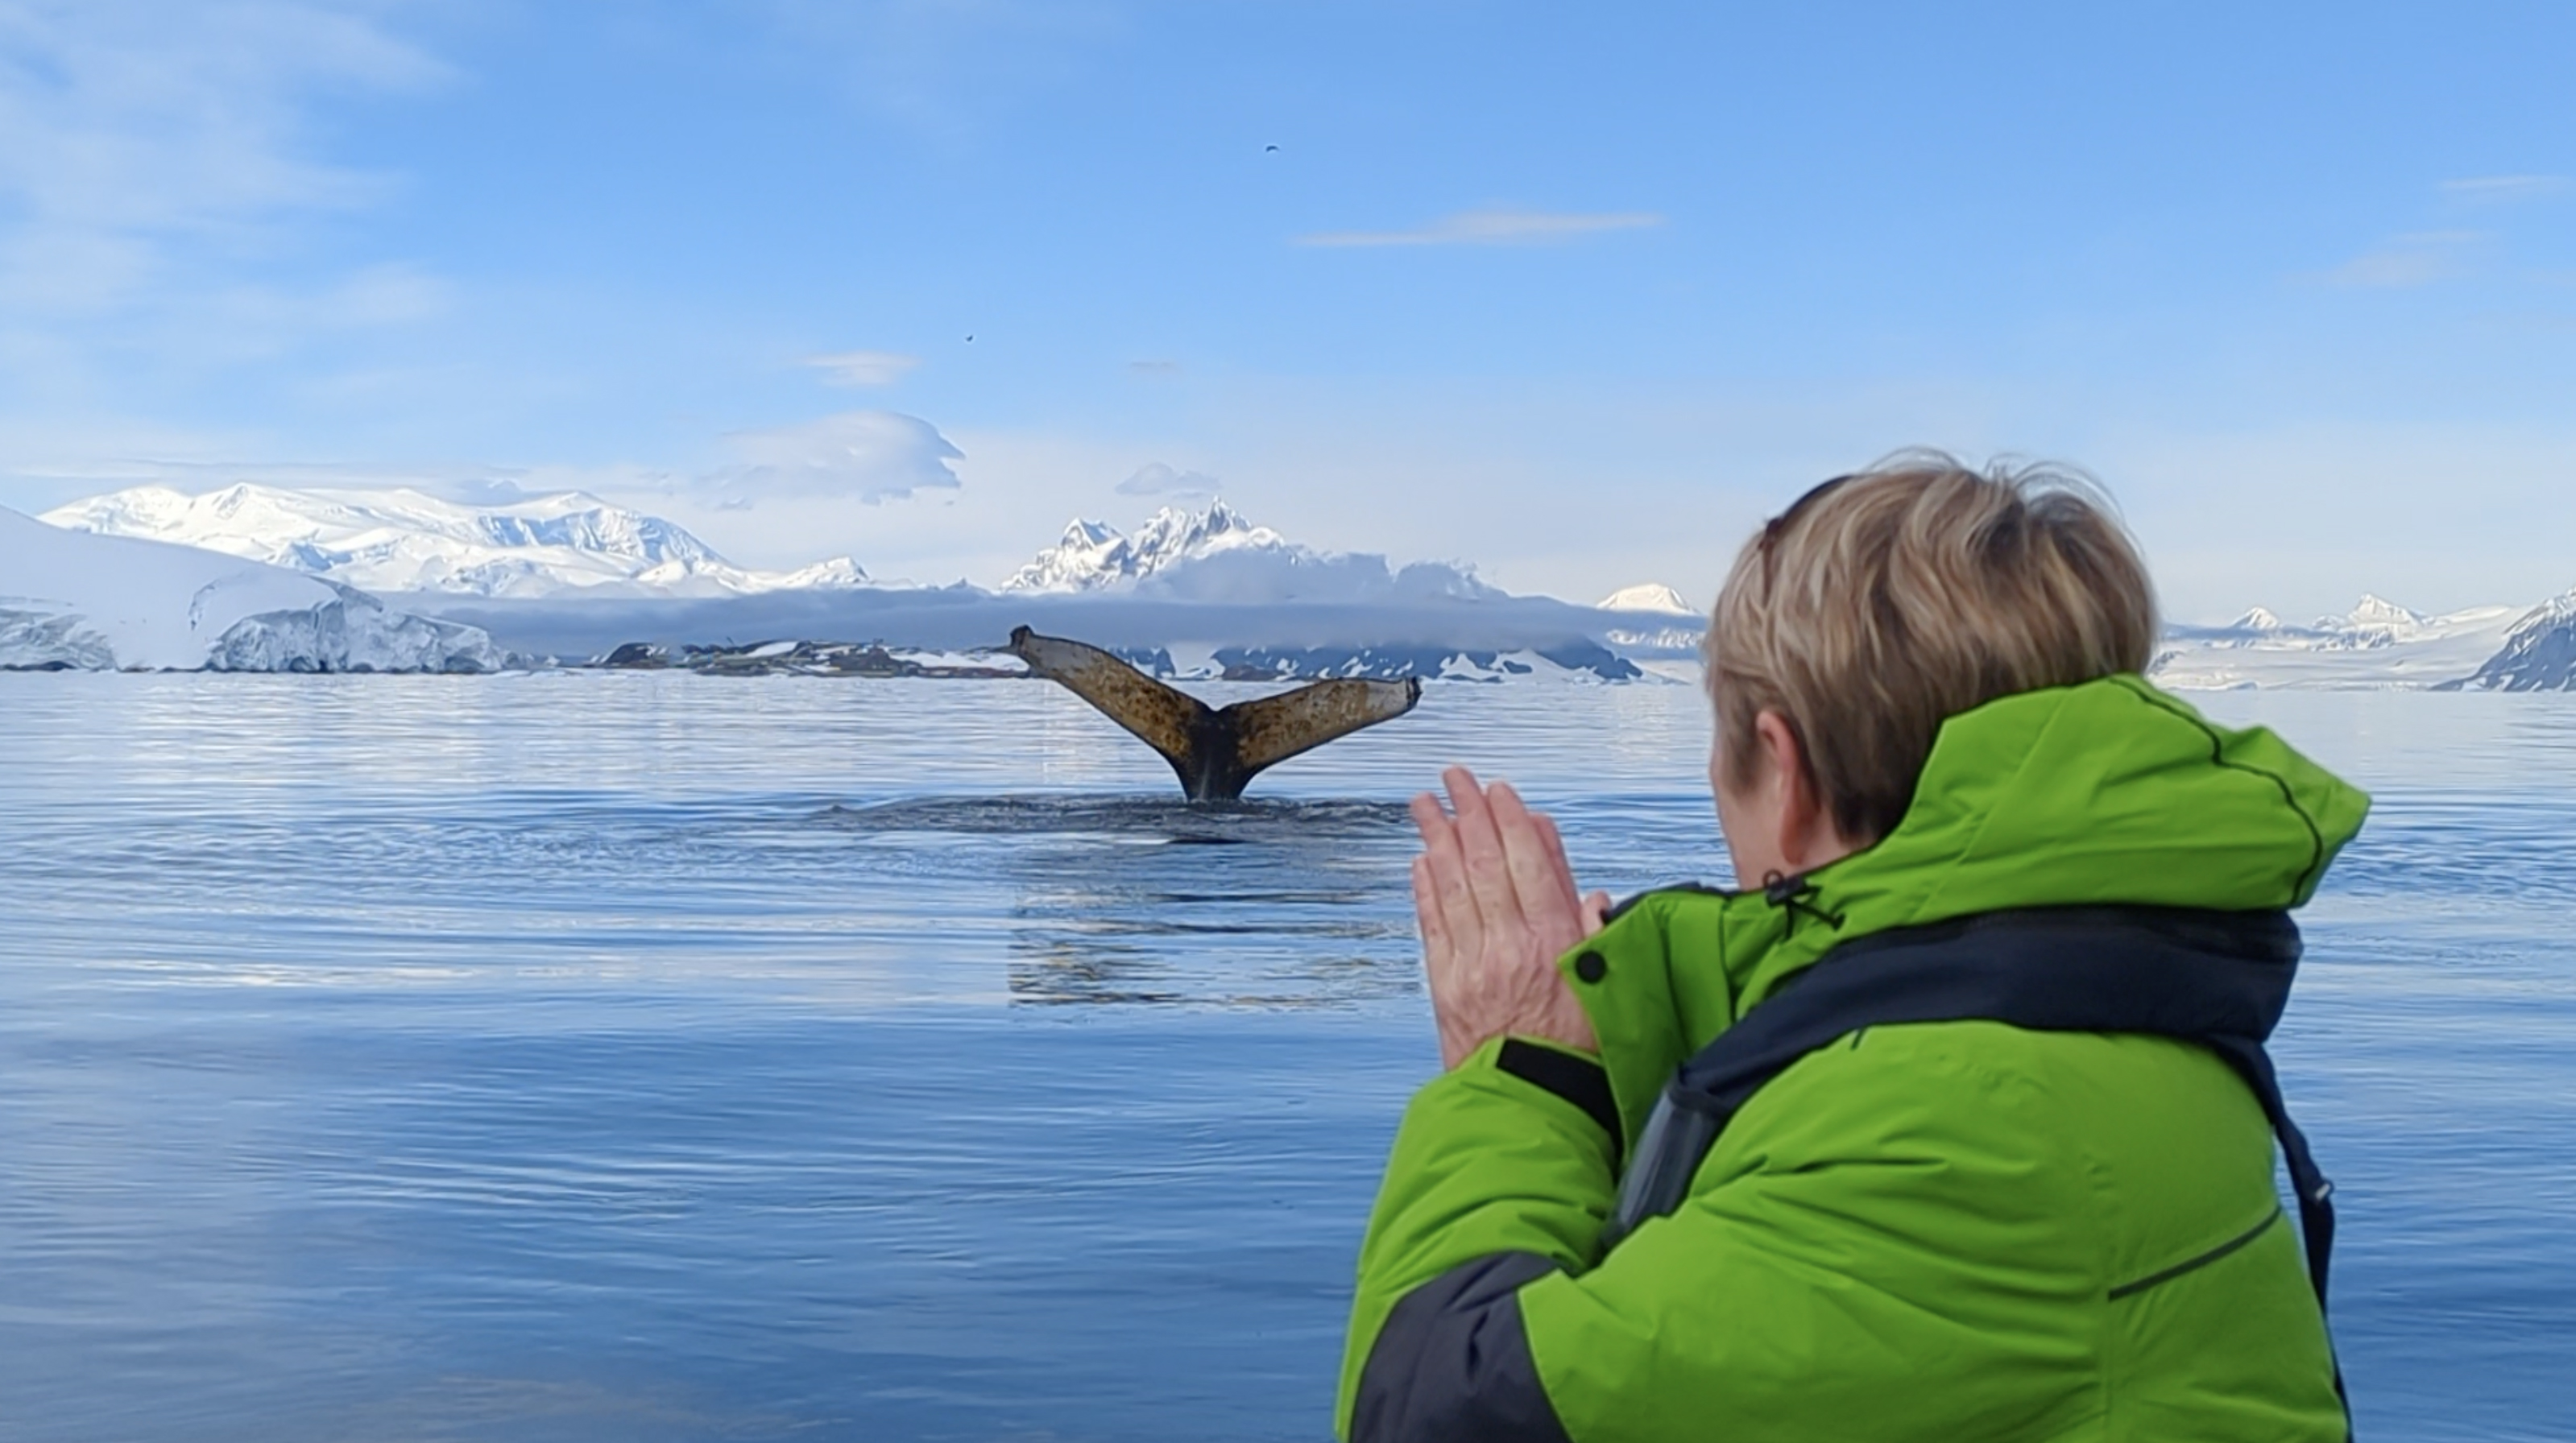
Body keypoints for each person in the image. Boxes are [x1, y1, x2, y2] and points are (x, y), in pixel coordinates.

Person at [1338, 454, 2363, 1442]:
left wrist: (1519, 1070)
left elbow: (1437, 1409)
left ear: (1786, 777)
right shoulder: (2114, 1022)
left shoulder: (1957, 1134)